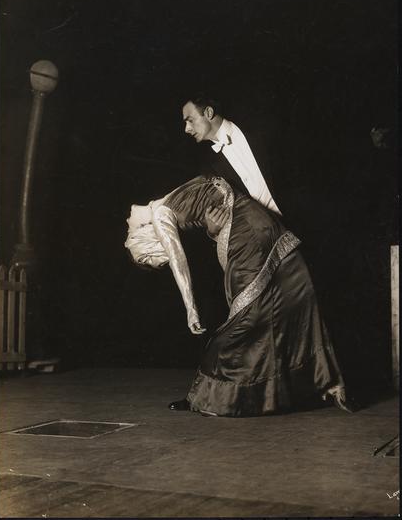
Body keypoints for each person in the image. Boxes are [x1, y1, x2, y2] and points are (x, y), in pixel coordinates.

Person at [125, 175, 354, 417]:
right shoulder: (176, 194)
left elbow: (177, 261)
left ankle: (217, 398)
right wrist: (213, 230)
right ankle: (319, 384)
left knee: (247, 318)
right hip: (262, 222)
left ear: (142, 239)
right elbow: (215, 203)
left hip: (246, 235)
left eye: (147, 258)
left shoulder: (160, 214)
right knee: (291, 295)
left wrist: (191, 309)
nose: (156, 261)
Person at [182, 94, 283, 215]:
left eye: (190, 120)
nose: (187, 129)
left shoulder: (259, 126)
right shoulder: (208, 167)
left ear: (209, 113)